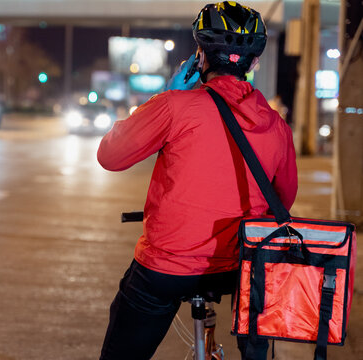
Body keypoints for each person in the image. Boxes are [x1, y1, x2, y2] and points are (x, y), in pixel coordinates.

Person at [97, 2, 298, 359]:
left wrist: (168, 92)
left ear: (199, 57)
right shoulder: (277, 126)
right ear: (253, 64)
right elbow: (284, 197)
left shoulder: (175, 105)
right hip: (239, 270)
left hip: (166, 270)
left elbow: (110, 156)